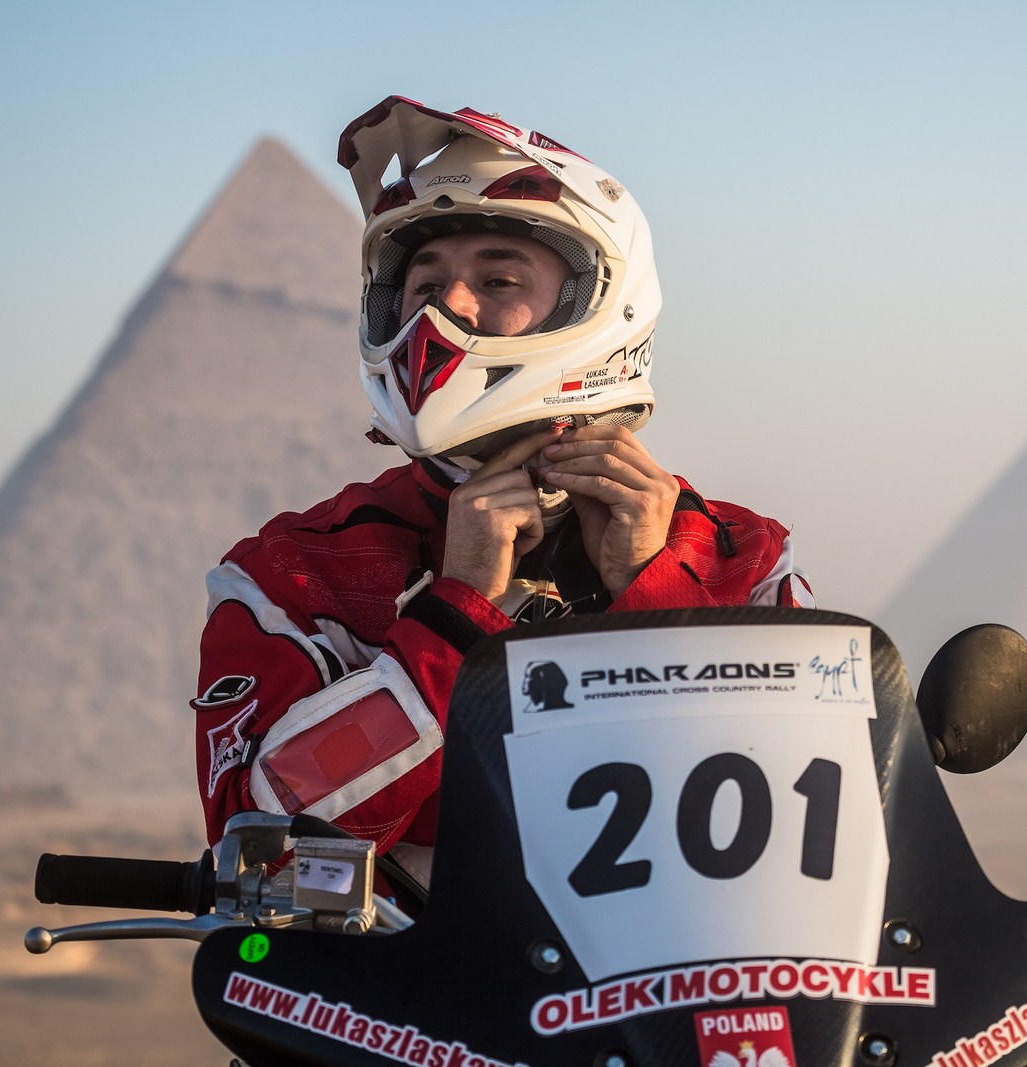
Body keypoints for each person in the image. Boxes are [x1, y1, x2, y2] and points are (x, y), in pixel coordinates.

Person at [192, 96, 812, 885]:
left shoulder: (741, 558)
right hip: (409, 968)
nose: (445, 309)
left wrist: (653, 595)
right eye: (423, 284)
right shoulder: (295, 574)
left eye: (498, 279)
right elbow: (257, 847)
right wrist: (453, 618)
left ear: (597, 301)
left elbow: (803, 821)